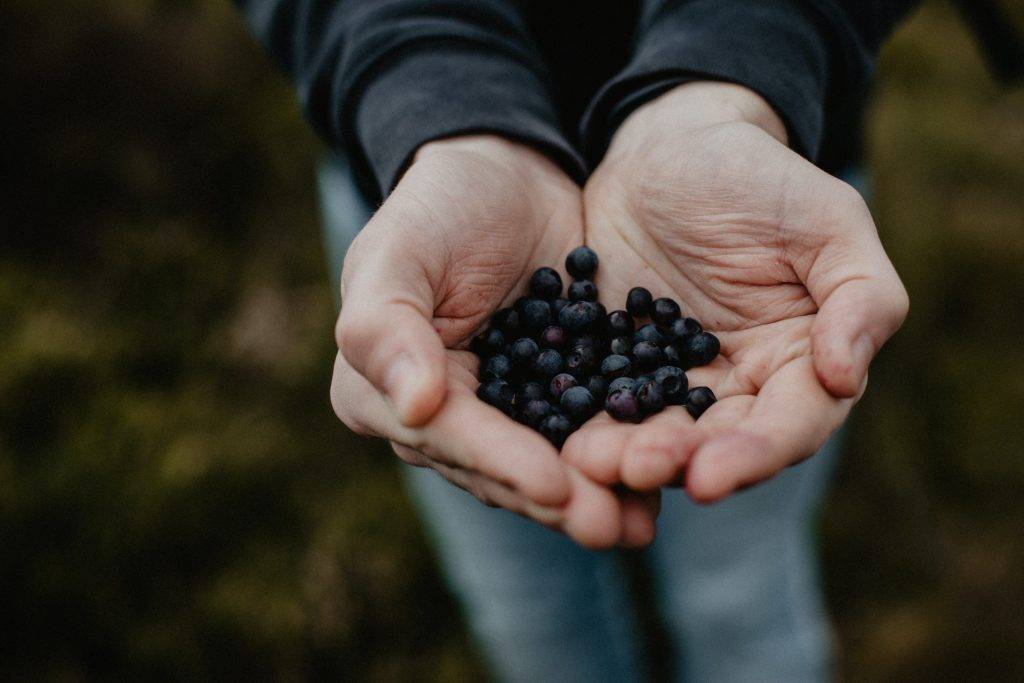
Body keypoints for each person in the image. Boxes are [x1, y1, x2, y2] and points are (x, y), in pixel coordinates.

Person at [236, 2, 918, 680]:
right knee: (527, 602)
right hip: (416, 176)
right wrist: (431, 97)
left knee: (738, 591)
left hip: (762, 166)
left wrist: (736, 65)